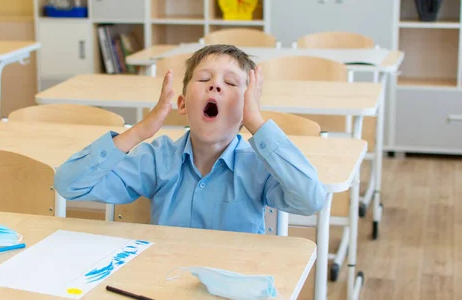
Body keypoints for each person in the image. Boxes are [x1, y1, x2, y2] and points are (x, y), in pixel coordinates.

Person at [54, 44, 327, 234]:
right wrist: (140, 130)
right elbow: (69, 185)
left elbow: (311, 199)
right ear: (182, 104)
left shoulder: (257, 166)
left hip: (234, 293)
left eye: (231, 84)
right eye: (204, 78)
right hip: (167, 286)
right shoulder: (157, 159)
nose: (216, 85)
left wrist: (256, 122)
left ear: (245, 108)